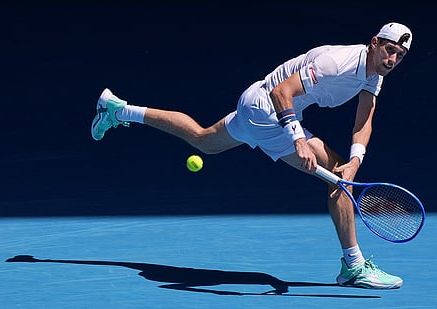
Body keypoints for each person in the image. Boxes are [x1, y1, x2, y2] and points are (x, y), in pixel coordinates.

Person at [91, 22, 412, 290]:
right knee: (339, 181)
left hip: (254, 103)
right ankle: (353, 267)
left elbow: (364, 119)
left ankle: (120, 111)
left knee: (204, 140)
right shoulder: (336, 63)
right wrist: (298, 140)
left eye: (400, 55)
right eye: (389, 49)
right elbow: (281, 92)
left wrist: (357, 160)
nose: (393, 58)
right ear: (374, 43)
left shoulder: (374, 75)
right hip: (266, 111)